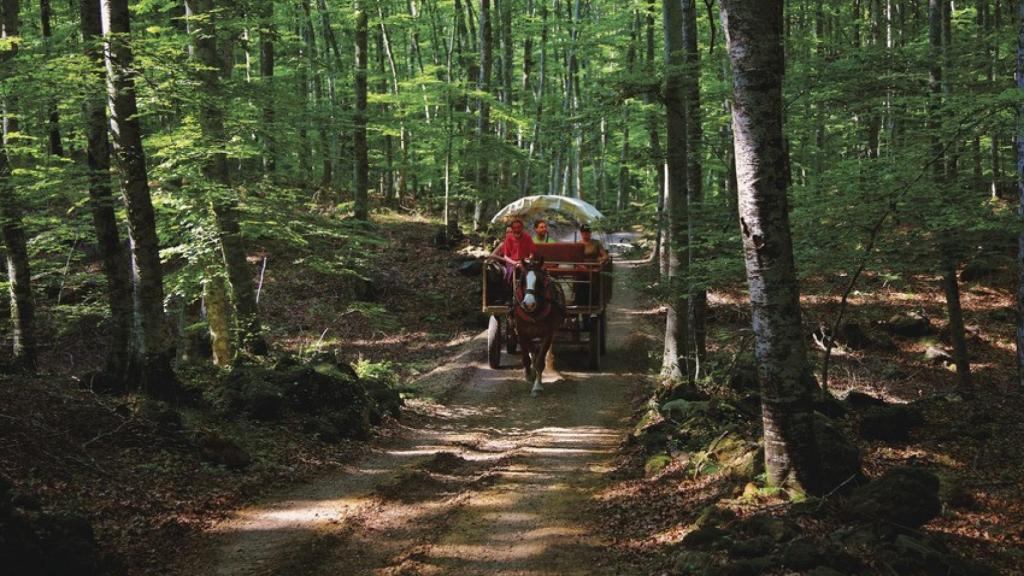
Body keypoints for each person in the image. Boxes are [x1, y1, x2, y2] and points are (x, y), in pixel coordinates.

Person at [575, 223, 609, 307]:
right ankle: (579, 301)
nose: (586, 234)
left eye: (588, 232)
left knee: (594, 276)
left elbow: (605, 255)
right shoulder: (577, 244)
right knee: (581, 277)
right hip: (582, 268)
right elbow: (574, 258)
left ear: (590, 232)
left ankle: (594, 301)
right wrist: (581, 266)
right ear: (581, 233)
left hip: (594, 267)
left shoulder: (596, 243)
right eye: (584, 232)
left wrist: (600, 259)